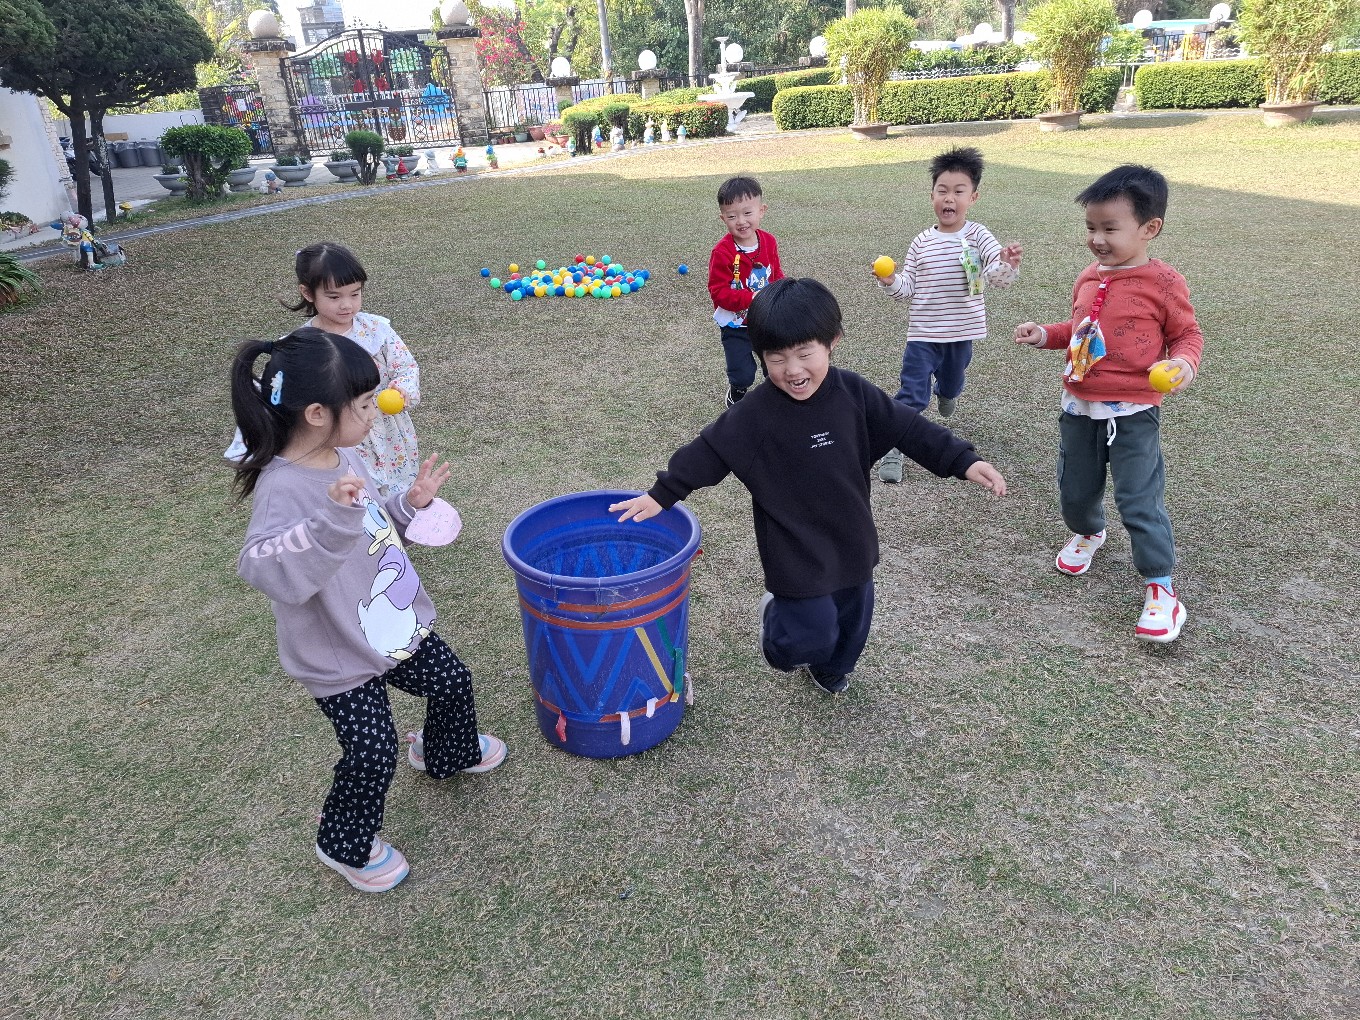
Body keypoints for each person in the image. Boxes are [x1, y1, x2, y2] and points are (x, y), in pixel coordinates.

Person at [609, 278, 1007, 694]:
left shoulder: (853, 393)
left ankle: (831, 669)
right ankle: (777, 630)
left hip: (852, 537)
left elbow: (909, 428)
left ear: (832, 342)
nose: (793, 370)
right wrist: (663, 494)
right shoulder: (755, 413)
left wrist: (964, 460)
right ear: (761, 356)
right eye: (777, 358)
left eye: (804, 354)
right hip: (793, 547)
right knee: (806, 635)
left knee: (852, 625)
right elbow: (710, 450)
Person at [230, 327, 506, 894]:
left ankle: (445, 753)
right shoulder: (281, 488)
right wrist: (331, 520)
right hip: (338, 653)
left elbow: (373, 521)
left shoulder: (346, 454)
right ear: (316, 414)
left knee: (452, 681)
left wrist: (408, 504)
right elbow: (262, 567)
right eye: (362, 405)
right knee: (372, 751)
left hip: (391, 626)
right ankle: (343, 844)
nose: (373, 414)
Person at [1014, 164, 1203, 644]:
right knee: (1075, 491)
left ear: (1149, 228)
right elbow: (1081, 331)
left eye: (1110, 229)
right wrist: (1046, 335)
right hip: (1079, 406)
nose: (1097, 239)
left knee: (1138, 499)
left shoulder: (1164, 282)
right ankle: (1088, 532)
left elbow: (1187, 334)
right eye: (1091, 228)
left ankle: (1161, 588)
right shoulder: (1088, 276)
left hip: (1133, 413)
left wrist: (1184, 363)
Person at [875, 146, 1022, 483]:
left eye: (958, 191)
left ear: (973, 197)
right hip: (923, 335)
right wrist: (890, 280)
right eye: (942, 190)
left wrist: (1006, 263)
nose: (949, 198)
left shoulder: (978, 235)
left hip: (960, 334)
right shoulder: (921, 243)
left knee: (952, 384)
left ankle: (947, 391)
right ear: (932, 196)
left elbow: (996, 276)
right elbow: (908, 288)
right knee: (912, 394)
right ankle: (894, 447)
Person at [289, 242, 423, 497]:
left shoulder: (377, 330)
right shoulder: (303, 345)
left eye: (355, 294)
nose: (346, 305)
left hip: (386, 432)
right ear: (308, 293)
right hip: (339, 439)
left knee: (396, 495)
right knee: (355, 497)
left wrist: (403, 389)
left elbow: (406, 367)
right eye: (334, 297)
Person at [707, 175, 785, 407]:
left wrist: (782, 293)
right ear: (723, 218)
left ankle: (776, 398)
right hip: (736, 325)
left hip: (766, 320)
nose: (741, 221)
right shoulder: (722, 252)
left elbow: (776, 274)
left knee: (775, 365)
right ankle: (737, 392)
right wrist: (752, 297)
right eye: (732, 216)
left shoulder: (769, 241)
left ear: (761, 211)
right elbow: (719, 293)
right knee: (743, 374)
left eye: (747, 213)